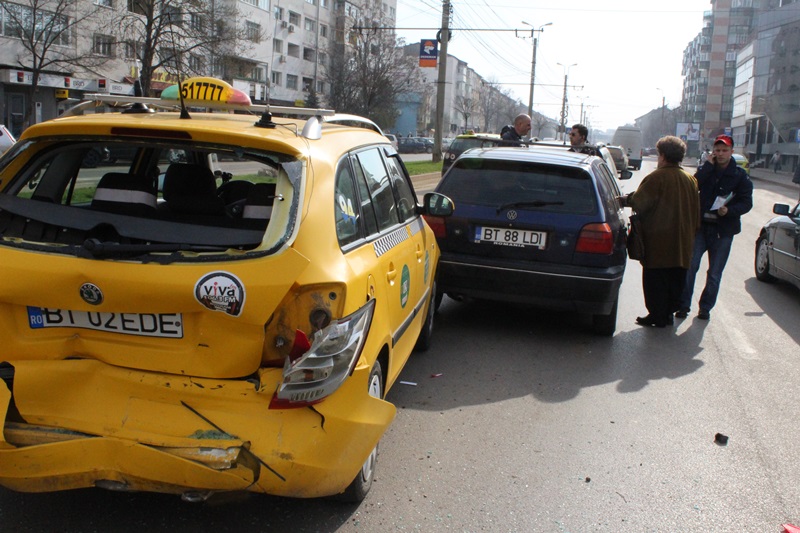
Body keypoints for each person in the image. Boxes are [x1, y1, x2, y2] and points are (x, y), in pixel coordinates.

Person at [619, 136, 700, 328]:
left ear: (662, 156)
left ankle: (657, 315)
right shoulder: (690, 180)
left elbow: (640, 202)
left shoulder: (656, 177)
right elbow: (696, 211)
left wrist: (626, 200)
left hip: (659, 240)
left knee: (656, 280)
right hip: (682, 242)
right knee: (675, 279)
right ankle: (666, 314)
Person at [676, 134, 753, 321]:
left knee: (714, 273)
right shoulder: (706, 169)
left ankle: (705, 308)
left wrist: (730, 210)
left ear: (731, 152)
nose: (720, 154)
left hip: (723, 232)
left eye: (724, 150)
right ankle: (683, 306)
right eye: (717, 150)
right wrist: (708, 167)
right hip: (701, 228)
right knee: (690, 267)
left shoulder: (740, 176)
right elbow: (693, 186)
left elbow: (746, 203)